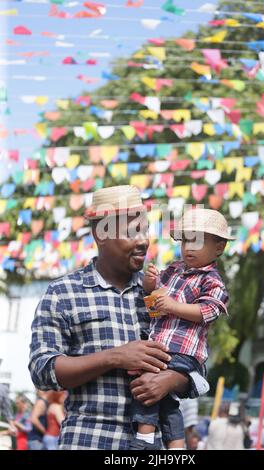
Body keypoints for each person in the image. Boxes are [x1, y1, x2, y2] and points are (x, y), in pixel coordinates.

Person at [29, 185, 205, 450]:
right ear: (100, 235)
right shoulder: (62, 292)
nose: (143, 240)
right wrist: (115, 357)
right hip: (88, 440)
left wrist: (170, 380)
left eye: (144, 230)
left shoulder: (165, 293)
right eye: (131, 231)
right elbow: (42, 370)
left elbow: (196, 367)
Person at [130, 208, 233, 450]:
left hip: (182, 351)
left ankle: (142, 441)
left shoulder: (211, 280)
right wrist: (149, 285)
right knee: (166, 402)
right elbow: (154, 304)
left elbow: (208, 312)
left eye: (197, 241)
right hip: (161, 343)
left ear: (218, 248)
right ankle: (177, 446)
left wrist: (175, 306)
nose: (188, 247)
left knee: (146, 381)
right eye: (185, 240)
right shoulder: (173, 270)